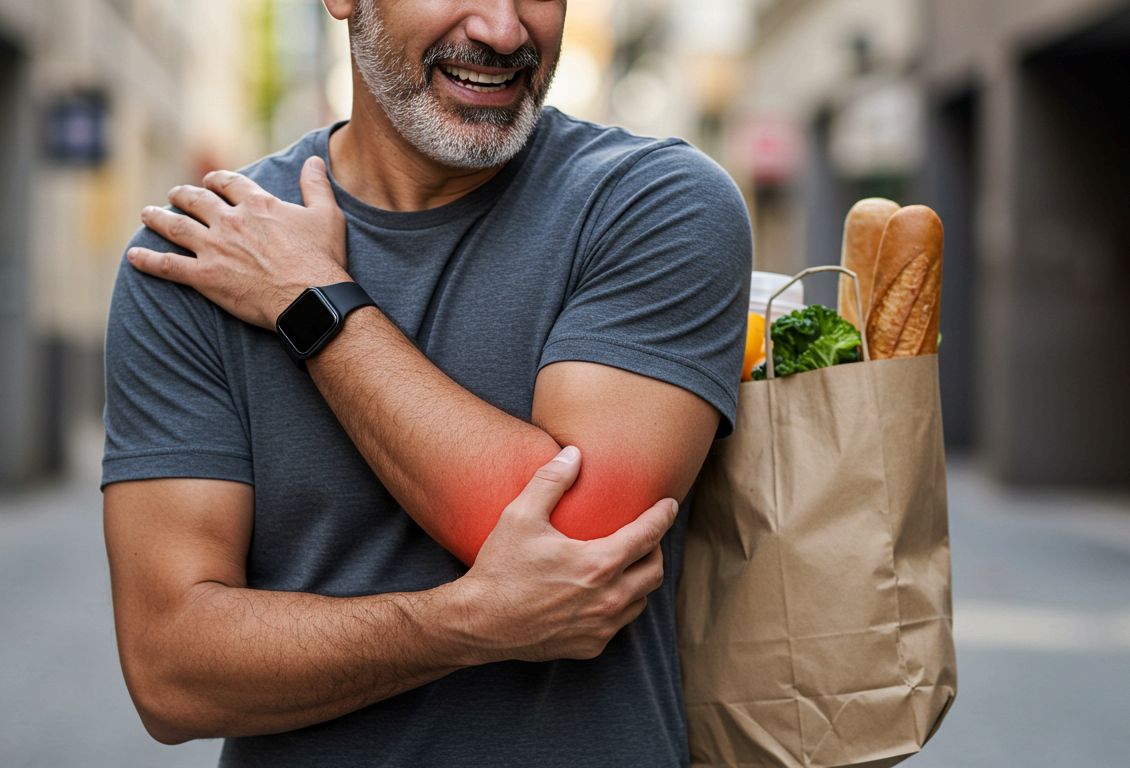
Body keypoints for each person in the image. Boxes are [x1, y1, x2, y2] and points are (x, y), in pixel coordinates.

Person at [101, 0, 751, 764]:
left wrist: (312, 303)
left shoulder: (654, 203)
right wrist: (463, 624)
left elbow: (580, 537)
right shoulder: (203, 253)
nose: (504, 32)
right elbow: (171, 674)